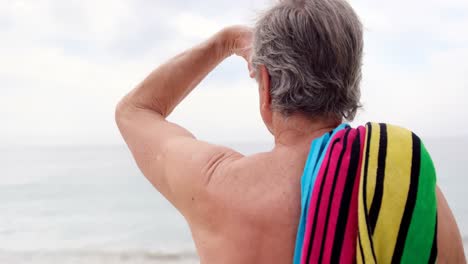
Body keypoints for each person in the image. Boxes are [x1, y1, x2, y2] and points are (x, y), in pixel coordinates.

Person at [115, 0, 465, 263]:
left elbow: (135, 110)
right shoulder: (401, 171)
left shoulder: (214, 184)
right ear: (351, 77)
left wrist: (225, 42)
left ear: (265, 83)